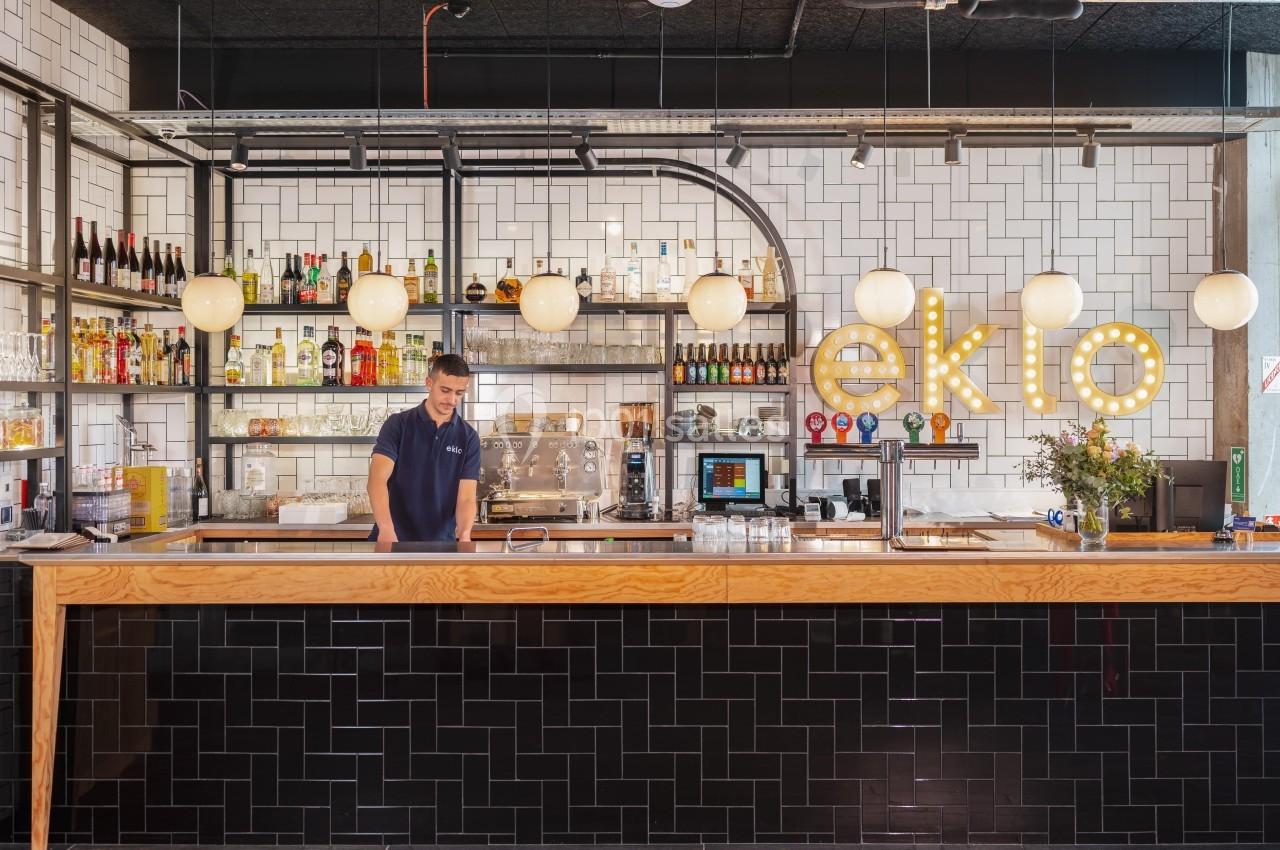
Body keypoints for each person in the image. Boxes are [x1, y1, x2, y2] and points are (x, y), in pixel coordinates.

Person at [367, 353, 479, 543]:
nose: (452, 400)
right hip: (392, 540)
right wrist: (386, 529)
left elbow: (466, 498)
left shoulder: (468, 437)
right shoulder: (398, 425)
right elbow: (376, 481)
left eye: (459, 393)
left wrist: (465, 533)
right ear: (429, 383)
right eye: (445, 390)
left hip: (441, 546)